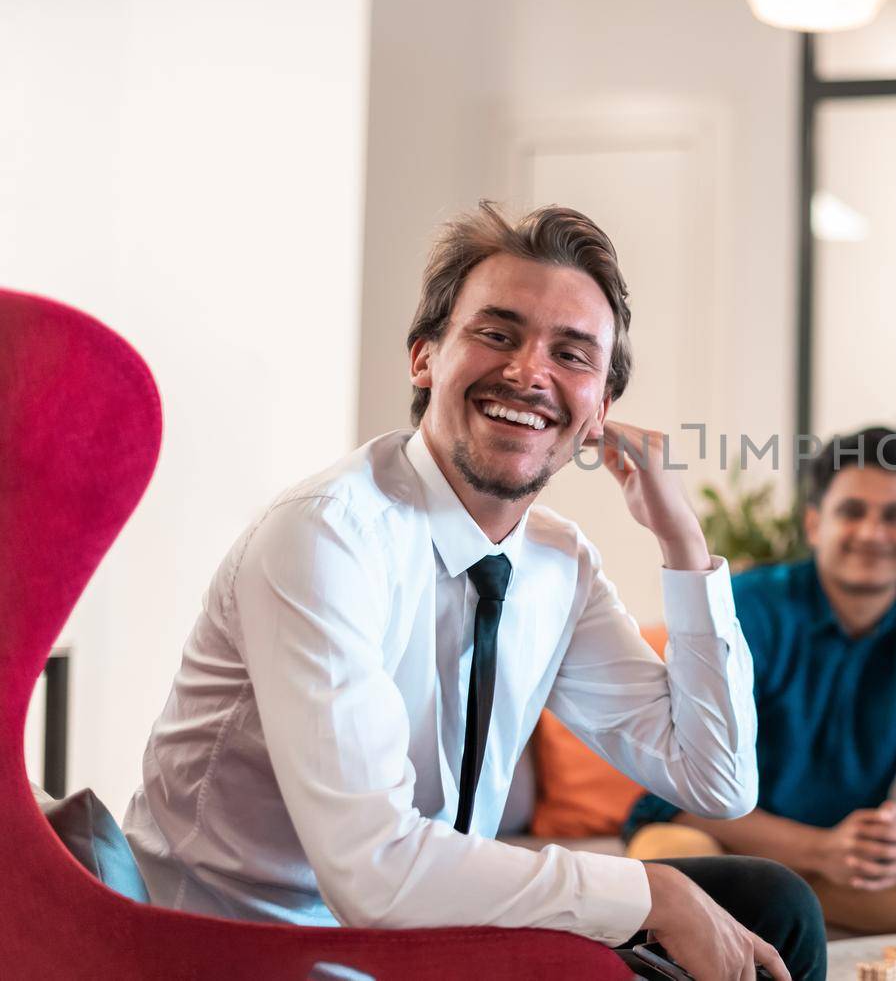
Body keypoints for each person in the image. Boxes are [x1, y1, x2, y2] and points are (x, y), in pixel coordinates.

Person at [122, 203, 824, 981]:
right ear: (425, 358)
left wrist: (684, 548)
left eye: (572, 353)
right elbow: (374, 871)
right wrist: (650, 892)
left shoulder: (558, 564)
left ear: (599, 412)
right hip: (256, 946)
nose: (529, 372)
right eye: (497, 333)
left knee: (771, 906)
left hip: (428, 933)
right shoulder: (326, 535)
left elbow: (717, 780)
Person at [623, 426, 896, 933]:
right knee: (675, 863)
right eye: (852, 512)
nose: (872, 533)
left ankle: (791, 924)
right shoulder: (748, 605)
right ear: (815, 523)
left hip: (846, 868)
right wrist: (818, 849)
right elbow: (678, 796)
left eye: (894, 516)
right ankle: (777, 920)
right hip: (732, 845)